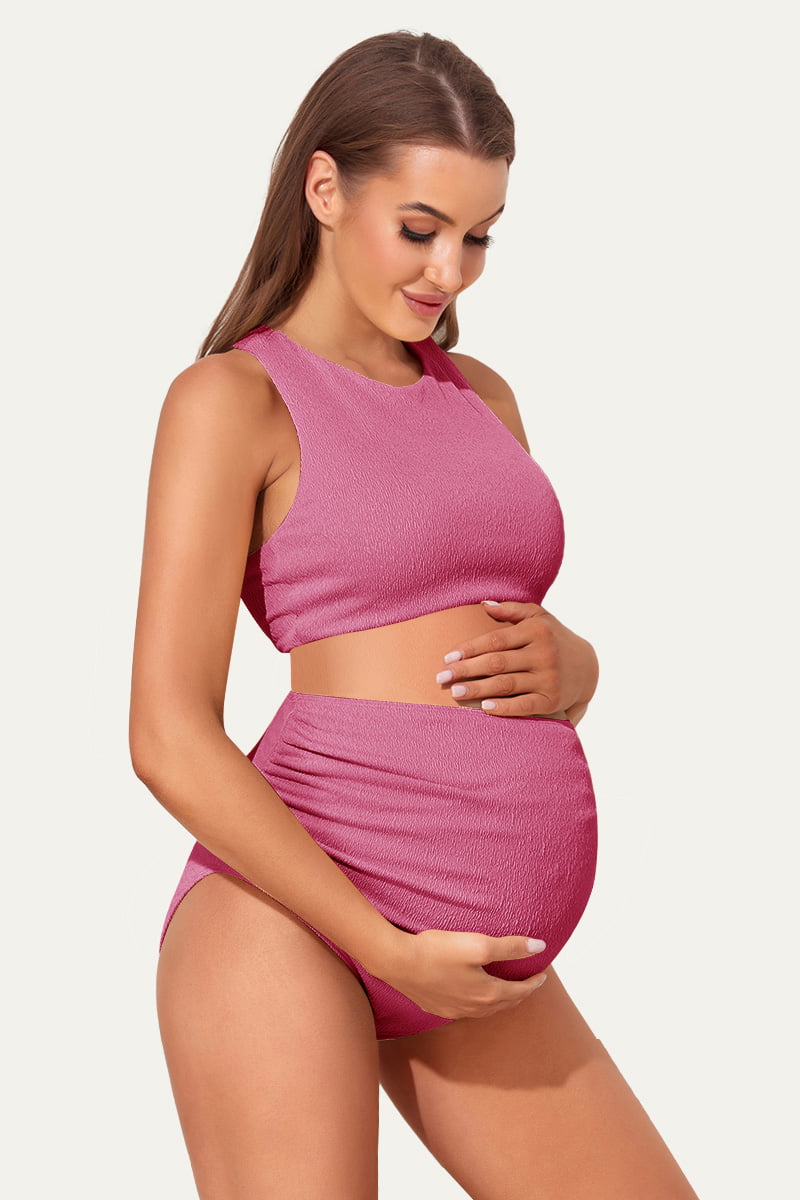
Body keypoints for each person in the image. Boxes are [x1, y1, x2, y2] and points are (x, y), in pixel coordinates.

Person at [129, 29, 699, 1200]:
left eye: (477, 236)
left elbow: (488, 635)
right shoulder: (233, 400)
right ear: (325, 189)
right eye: (420, 229)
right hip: (286, 916)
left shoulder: (480, 396)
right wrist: (379, 942)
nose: (450, 271)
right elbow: (166, 733)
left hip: (474, 960)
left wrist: (580, 669)